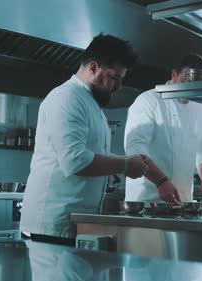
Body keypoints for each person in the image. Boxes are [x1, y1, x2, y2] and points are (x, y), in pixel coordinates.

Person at [20, 33, 149, 246]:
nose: (118, 87)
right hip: (52, 226)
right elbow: (76, 160)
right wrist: (126, 164)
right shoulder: (67, 98)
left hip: (74, 225)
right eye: (114, 77)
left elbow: (91, 155)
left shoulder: (90, 102)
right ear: (93, 67)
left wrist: (132, 160)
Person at [124, 53, 202, 204]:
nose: (191, 90)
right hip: (146, 201)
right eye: (186, 82)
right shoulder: (148, 100)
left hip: (183, 201)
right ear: (174, 74)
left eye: (198, 85)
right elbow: (135, 148)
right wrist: (161, 181)